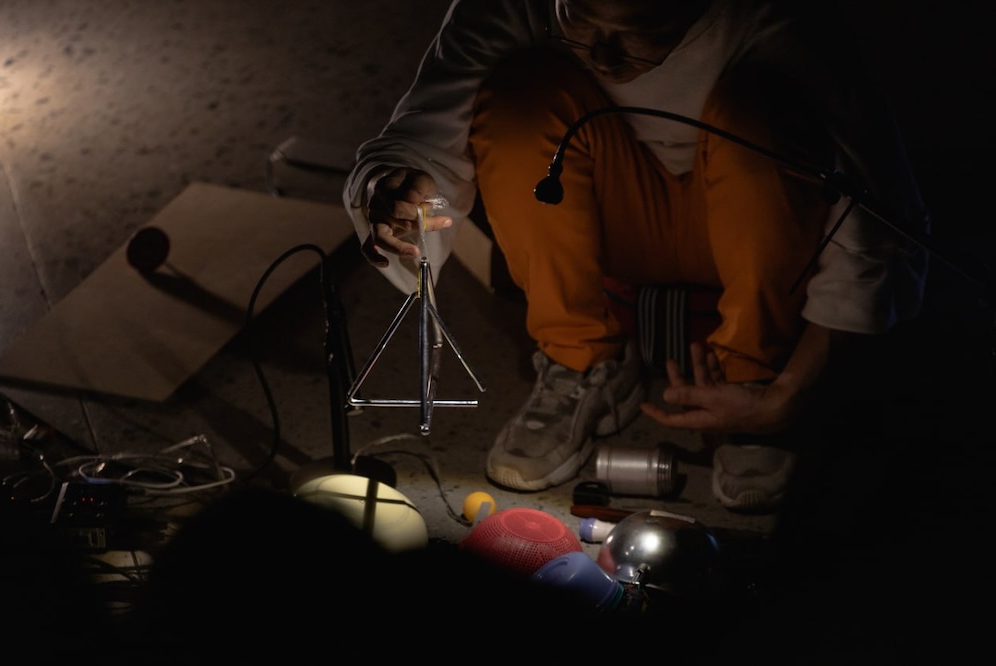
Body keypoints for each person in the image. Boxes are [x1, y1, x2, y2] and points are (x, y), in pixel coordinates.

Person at [343, 0, 929, 510]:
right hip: (610, 221)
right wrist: (398, 190)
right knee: (520, 96)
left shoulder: (782, 20)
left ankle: (754, 375)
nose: (604, 53)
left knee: (762, 107)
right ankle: (580, 361)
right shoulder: (508, 5)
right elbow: (422, 133)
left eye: (639, 30)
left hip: (749, 224)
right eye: (580, 18)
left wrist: (791, 393)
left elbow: (880, 222)